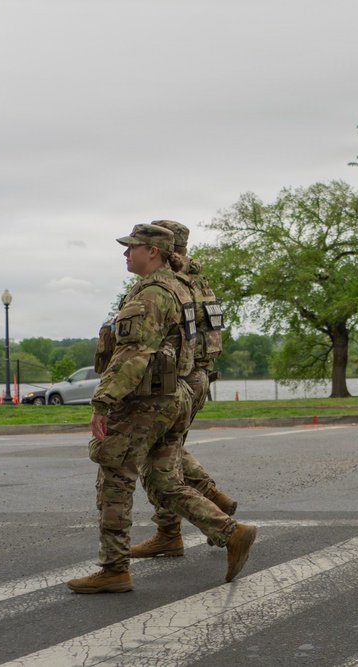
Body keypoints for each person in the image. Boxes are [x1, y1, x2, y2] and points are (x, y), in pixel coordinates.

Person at [67, 223, 256, 594]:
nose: (126, 254)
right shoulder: (182, 285)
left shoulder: (153, 293)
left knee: (115, 476)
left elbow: (135, 353)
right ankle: (230, 531)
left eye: (132, 247)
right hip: (176, 395)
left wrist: (102, 403)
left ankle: (114, 569)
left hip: (146, 401)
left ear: (152, 251)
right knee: (164, 479)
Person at [129, 219, 238, 558]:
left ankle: (188, 516)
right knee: (167, 451)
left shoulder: (172, 282)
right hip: (200, 376)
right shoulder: (199, 280)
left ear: (159, 246)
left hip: (178, 379)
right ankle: (174, 527)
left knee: (159, 457)